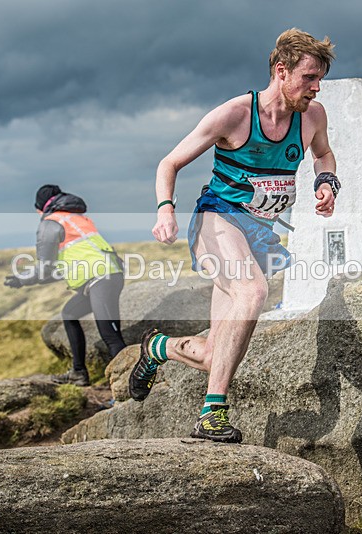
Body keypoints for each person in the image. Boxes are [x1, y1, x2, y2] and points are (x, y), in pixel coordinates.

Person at [129, 28, 339, 443]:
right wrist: (165, 211)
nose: (316, 88)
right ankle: (212, 414)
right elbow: (168, 163)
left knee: (214, 355)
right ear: (282, 71)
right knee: (252, 292)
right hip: (218, 221)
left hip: (258, 234)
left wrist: (327, 182)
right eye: (309, 78)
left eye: (319, 80)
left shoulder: (312, 117)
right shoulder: (235, 115)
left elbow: (323, 153)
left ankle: (158, 349)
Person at [4, 185, 127, 386]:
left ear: (40, 208)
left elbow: (45, 267)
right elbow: (63, 267)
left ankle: (128, 389)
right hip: (107, 275)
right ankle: (79, 372)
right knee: (69, 313)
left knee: (111, 337)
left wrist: (22, 279)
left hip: (99, 279)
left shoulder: (50, 223)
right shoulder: (76, 218)